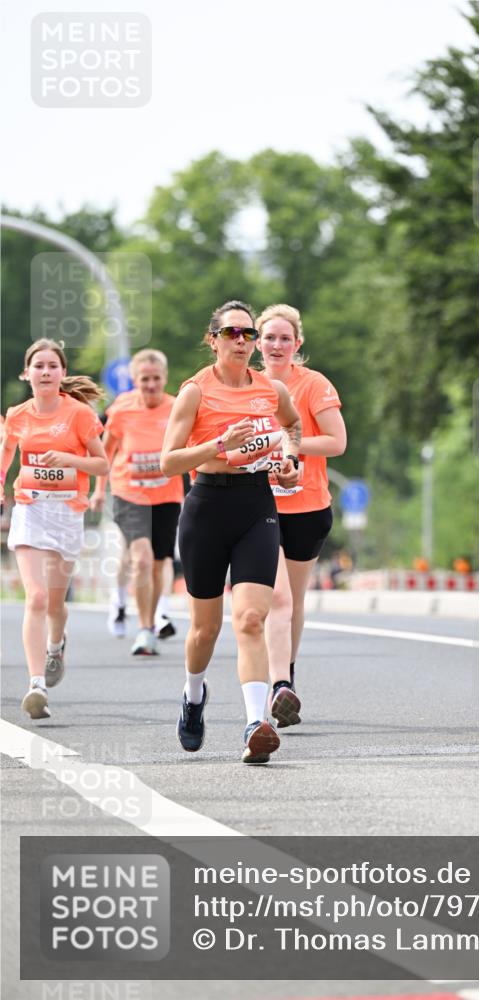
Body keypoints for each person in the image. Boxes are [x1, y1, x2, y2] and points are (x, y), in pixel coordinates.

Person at [160, 300, 302, 763]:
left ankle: (253, 725)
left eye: (248, 334)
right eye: (231, 334)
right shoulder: (194, 392)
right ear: (213, 340)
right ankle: (194, 695)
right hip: (205, 506)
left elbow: (292, 427)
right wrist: (219, 444)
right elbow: (168, 461)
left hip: (256, 504)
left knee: (251, 619)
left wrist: (290, 463)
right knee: (205, 629)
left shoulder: (271, 389)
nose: (241, 341)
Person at [0, 339, 108, 719]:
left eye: (52, 366)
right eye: (38, 366)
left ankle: (56, 645)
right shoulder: (17, 415)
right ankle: (36, 684)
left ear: (62, 374)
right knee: (37, 599)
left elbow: (102, 465)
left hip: (66, 513)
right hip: (30, 509)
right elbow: (7, 453)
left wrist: (67, 458)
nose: (45, 372)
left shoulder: (78, 414)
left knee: (57, 605)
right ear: (26, 374)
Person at [256, 304, 346, 728]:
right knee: (276, 600)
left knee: (292, 602)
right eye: (269, 337)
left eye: (284, 338)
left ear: (298, 343)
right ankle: (277, 685)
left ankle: (286, 677)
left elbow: (337, 442)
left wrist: (290, 443)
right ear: (257, 342)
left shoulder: (313, 385)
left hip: (308, 507)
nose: (277, 345)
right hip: (257, 506)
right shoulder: (248, 387)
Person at [91, 349, 184, 655]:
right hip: (128, 492)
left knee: (158, 565)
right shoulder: (122, 409)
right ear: (134, 380)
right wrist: (99, 489)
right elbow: (106, 450)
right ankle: (144, 630)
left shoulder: (176, 409)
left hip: (167, 495)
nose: (151, 385)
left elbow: (190, 448)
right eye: (144, 379)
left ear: (165, 378)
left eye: (156, 379)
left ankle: (153, 620)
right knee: (141, 559)